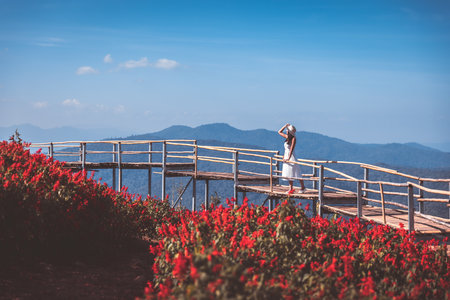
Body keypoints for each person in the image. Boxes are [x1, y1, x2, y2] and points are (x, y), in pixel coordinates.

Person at [278, 123, 306, 193]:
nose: (286, 131)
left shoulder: (293, 138)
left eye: (287, 130)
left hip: (291, 156)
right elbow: (279, 132)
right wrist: (285, 126)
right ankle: (291, 188)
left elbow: (291, 149)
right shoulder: (287, 137)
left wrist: (288, 158)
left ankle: (303, 187)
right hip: (286, 155)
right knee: (289, 172)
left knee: (297, 172)